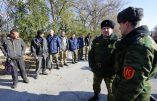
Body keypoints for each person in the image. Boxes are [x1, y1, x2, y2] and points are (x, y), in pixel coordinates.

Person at [112, 7, 157, 101]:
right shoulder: (135, 40)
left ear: (127, 24)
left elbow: (131, 86)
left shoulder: (139, 46)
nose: (119, 27)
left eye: (120, 24)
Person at [88, 20, 118, 101]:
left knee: (111, 91)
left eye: (108, 28)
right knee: (96, 85)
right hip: (97, 69)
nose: (105, 30)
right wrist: (92, 66)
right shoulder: (96, 40)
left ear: (112, 29)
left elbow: (120, 58)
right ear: (101, 30)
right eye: (104, 28)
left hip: (110, 72)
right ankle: (96, 96)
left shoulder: (117, 41)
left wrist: (115, 69)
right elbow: (91, 53)